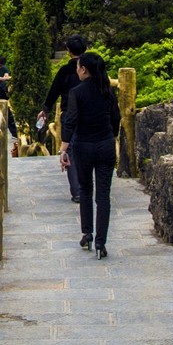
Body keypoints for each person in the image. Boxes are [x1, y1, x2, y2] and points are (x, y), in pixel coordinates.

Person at [58, 52, 120, 259]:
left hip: (83, 146)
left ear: (84, 69)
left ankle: (88, 233)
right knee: (103, 195)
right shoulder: (108, 91)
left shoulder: (77, 92)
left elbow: (70, 121)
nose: (77, 70)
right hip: (105, 145)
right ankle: (101, 242)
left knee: (85, 189)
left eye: (78, 67)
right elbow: (116, 118)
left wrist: (64, 149)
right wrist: (111, 137)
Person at [37, 35, 87, 202]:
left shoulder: (65, 70)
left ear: (68, 51)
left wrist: (45, 109)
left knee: (70, 151)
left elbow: (54, 91)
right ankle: (87, 187)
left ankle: (78, 191)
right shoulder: (93, 68)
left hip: (69, 114)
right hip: (90, 114)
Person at [0, 56, 18, 147]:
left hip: (1, 91)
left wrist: (0, 78)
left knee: (6, 113)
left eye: (0, 65)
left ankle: (14, 133)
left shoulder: (4, 69)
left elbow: (8, 77)